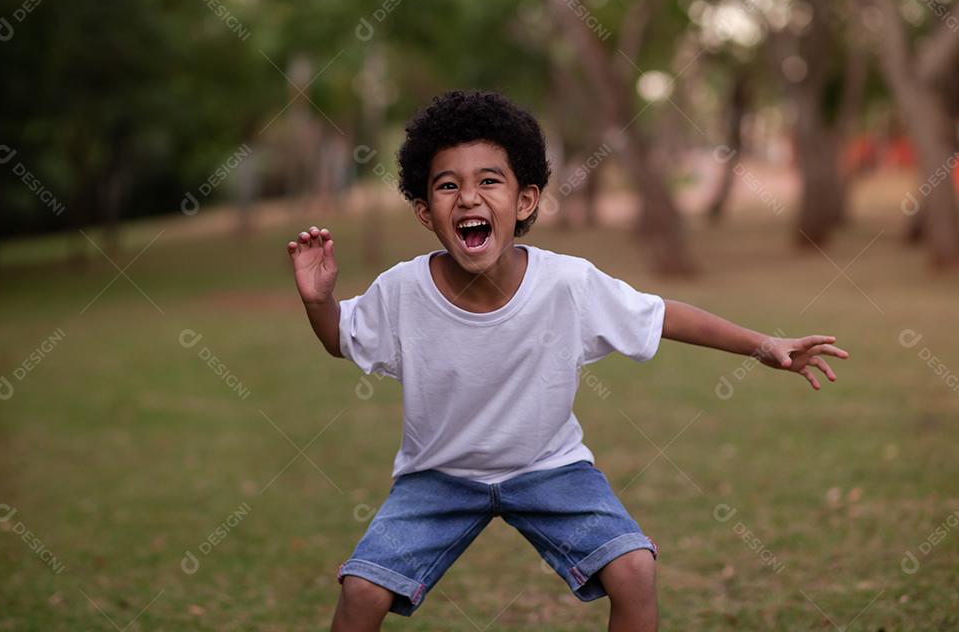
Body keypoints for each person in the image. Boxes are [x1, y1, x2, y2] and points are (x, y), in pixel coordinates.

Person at [287, 90, 849, 632]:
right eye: (447, 185)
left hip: (550, 469)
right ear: (424, 211)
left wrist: (763, 345)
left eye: (489, 181)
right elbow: (343, 338)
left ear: (525, 200)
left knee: (634, 569)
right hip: (437, 477)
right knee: (362, 591)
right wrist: (319, 303)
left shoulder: (567, 283)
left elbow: (662, 315)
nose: (468, 198)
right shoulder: (403, 289)